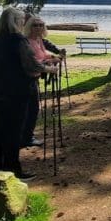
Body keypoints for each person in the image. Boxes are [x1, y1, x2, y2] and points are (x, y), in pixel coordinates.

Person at [0, 7, 56, 181]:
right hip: (16, 90)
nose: (24, 22)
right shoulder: (18, 40)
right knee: (14, 130)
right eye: (22, 20)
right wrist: (49, 69)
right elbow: (31, 64)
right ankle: (13, 169)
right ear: (16, 21)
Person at [21, 16, 65, 147]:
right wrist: (49, 65)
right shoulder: (27, 42)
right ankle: (26, 137)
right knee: (31, 109)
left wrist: (53, 57)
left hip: (35, 77)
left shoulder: (39, 39)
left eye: (41, 25)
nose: (39, 27)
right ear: (29, 27)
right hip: (26, 79)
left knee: (33, 109)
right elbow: (32, 62)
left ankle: (27, 136)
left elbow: (43, 55)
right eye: (35, 25)